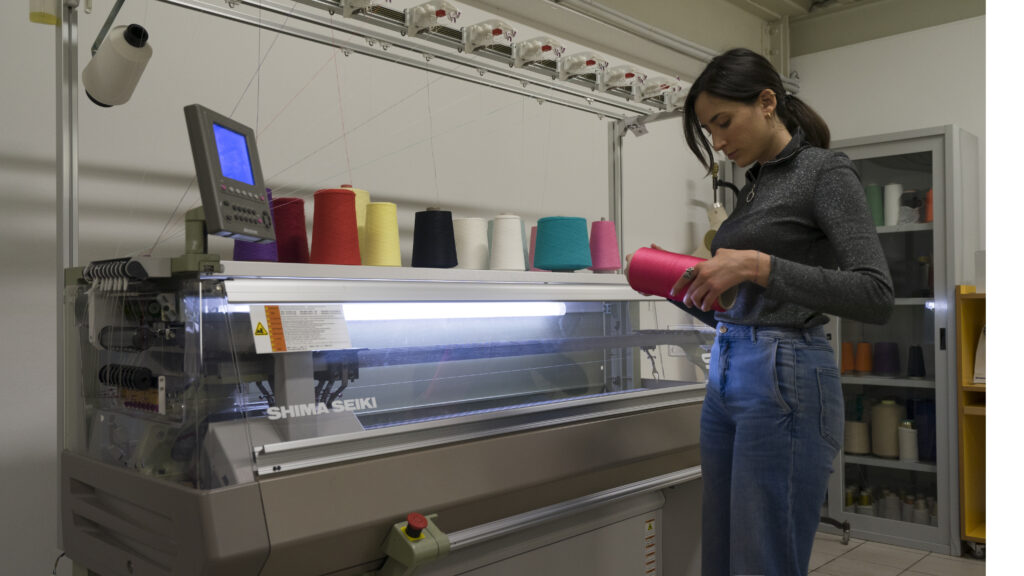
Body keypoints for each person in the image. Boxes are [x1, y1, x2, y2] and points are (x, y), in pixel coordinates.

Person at [629, 48, 894, 575]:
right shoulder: (753, 189)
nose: (719, 142)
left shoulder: (824, 171)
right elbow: (747, 308)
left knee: (761, 561)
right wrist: (679, 285)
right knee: (723, 557)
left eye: (723, 123)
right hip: (730, 367)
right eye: (709, 131)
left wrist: (757, 265)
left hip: (787, 373)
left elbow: (875, 294)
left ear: (767, 102)